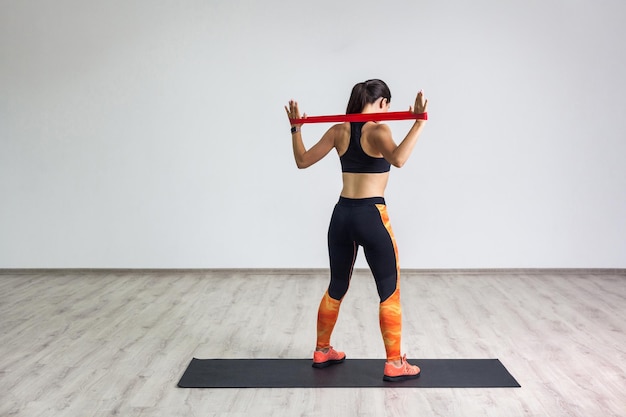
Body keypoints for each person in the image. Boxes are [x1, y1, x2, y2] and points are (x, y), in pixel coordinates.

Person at [285, 79, 428, 382]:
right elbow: (399, 159)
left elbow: (302, 161)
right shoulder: (378, 130)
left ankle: (322, 350)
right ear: (381, 103)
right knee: (389, 290)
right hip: (371, 216)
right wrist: (418, 123)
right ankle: (394, 363)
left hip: (342, 215)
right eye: (387, 106)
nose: (387, 111)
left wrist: (296, 127)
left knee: (337, 285)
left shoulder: (339, 130)